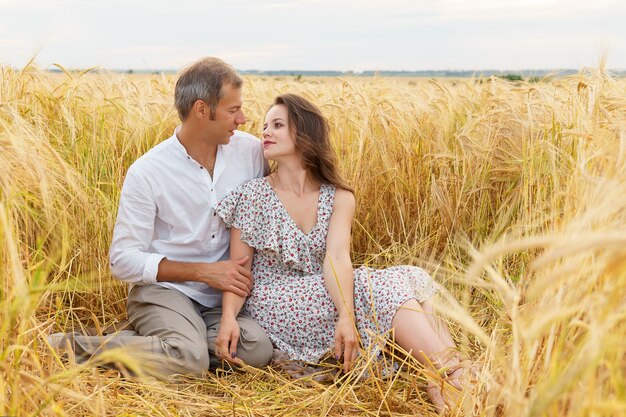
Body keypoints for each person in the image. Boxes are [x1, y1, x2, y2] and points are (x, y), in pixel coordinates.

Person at [213, 94, 476, 412]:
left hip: (320, 290)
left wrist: (346, 317)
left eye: (277, 125)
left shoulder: (337, 195)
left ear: (305, 134)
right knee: (375, 285)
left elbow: (337, 259)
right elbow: (238, 268)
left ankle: (448, 378)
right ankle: (455, 375)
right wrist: (229, 317)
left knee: (414, 276)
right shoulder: (252, 194)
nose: (265, 132)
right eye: (264, 126)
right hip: (275, 301)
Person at [48, 57, 274, 378]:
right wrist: (204, 272)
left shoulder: (251, 153)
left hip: (221, 299)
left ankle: (160, 343)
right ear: (201, 110)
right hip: (166, 290)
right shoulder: (148, 171)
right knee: (190, 360)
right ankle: (68, 347)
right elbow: (123, 261)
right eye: (233, 110)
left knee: (256, 348)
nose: (243, 118)